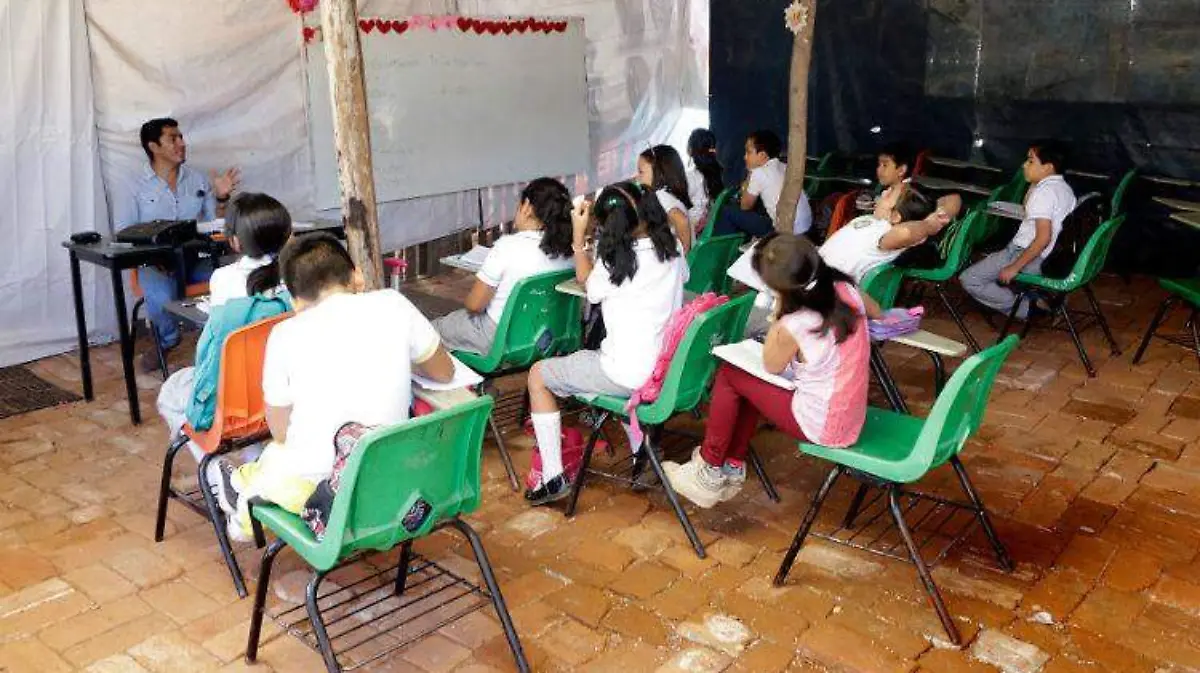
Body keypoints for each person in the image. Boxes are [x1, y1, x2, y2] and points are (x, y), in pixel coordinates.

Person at [214, 233, 454, 540]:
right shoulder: (395, 305)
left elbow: (281, 432)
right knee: (276, 461)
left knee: (277, 456)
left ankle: (242, 498)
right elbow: (444, 372)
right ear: (357, 277)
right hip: (394, 478)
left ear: (295, 301)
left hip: (326, 492)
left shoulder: (284, 335)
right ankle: (241, 485)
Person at [665, 233, 872, 507]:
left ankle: (709, 468)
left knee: (730, 374)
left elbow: (771, 365)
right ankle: (731, 465)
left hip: (821, 423)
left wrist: (779, 313)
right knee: (746, 381)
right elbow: (875, 309)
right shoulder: (846, 289)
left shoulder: (796, 322)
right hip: (848, 414)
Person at [524, 181, 688, 505]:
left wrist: (578, 238)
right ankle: (642, 451)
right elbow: (683, 278)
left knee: (537, 376)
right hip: (666, 369)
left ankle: (553, 477)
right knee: (603, 355)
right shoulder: (672, 250)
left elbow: (588, 286)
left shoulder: (615, 262)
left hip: (626, 375)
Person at [155, 193, 294, 481]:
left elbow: (212, 349)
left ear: (235, 241)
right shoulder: (298, 280)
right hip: (285, 398)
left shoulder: (223, 278)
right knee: (253, 370)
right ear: (287, 235)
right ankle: (254, 463)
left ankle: (218, 475)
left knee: (171, 390)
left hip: (235, 405)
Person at [112, 118, 242, 370]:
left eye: (181, 137)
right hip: (153, 262)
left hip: (194, 259)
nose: (182, 143)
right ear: (153, 146)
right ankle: (167, 339)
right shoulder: (132, 184)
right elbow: (123, 232)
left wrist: (221, 198)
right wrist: (153, 256)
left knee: (234, 278)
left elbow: (215, 226)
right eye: (173, 138)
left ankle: (220, 340)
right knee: (161, 298)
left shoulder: (197, 180)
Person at [433, 178, 574, 354]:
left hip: (497, 337)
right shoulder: (570, 254)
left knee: (431, 331)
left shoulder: (507, 247)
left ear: (527, 207)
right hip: (546, 337)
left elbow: (474, 305)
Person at [960, 140, 1076, 319]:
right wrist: (1034, 182)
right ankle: (1036, 299)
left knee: (970, 279)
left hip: (1024, 254)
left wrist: (1014, 267)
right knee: (991, 267)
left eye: (1031, 161)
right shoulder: (1064, 189)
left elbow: (1043, 237)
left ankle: (1027, 308)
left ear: (1048, 167)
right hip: (1047, 257)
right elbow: (1027, 205)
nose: (1024, 165)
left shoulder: (1044, 193)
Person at [819, 186, 958, 282]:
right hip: (816, 269)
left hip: (824, 286)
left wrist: (929, 225)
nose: (884, 193)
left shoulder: (887, 234)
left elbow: (906, 232)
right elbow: (955, 198)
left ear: (895, 216)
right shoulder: (876, 221)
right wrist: (936, 213)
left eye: (889, 195)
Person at [713, 130, 786, 238]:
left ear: (762, 155)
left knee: (726, 212)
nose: (745, 157)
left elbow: (744, 206)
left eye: (749, 152)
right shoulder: (784, 166)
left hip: (780, 230)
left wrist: (750, 172)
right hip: (801, 226)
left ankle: (725, 247)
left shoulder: (759, 173)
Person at [637, 145, 694, 251]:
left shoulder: (660, 196)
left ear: (659, 171)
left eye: (641, 172)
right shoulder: (669, 193)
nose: (638, 178)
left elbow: (682, 221)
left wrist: (684, 253)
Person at [686, 129, 724, 230]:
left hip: (696, 229)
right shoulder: (721, 171)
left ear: (690, 150)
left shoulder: (691, 178)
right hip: (713, 226)